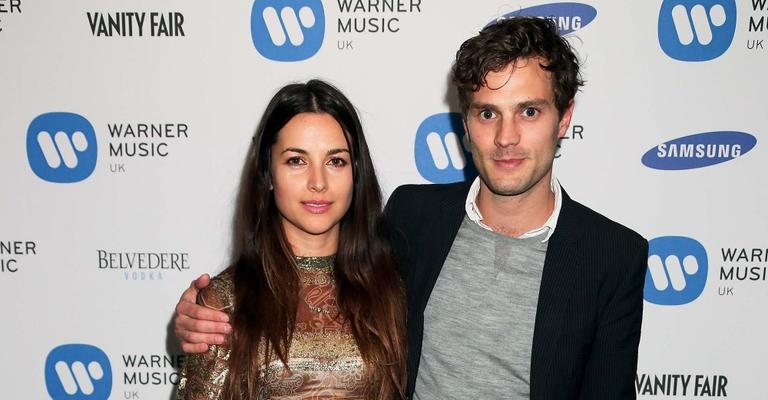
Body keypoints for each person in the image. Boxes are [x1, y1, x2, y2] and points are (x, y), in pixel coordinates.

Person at [175, 17, 647, 399]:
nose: (506, 138)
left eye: (529, 111)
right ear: (465, 122)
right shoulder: (413, 219)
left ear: (563, 118)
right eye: (487, 113)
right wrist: (203, 313)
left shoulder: (612, 256)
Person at [175, 79, 406, 400]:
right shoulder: (226, 300)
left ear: (356, 171)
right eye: (296, 160)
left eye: (335, 161)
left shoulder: (394, 286)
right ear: (268, 173)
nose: (318, 182)